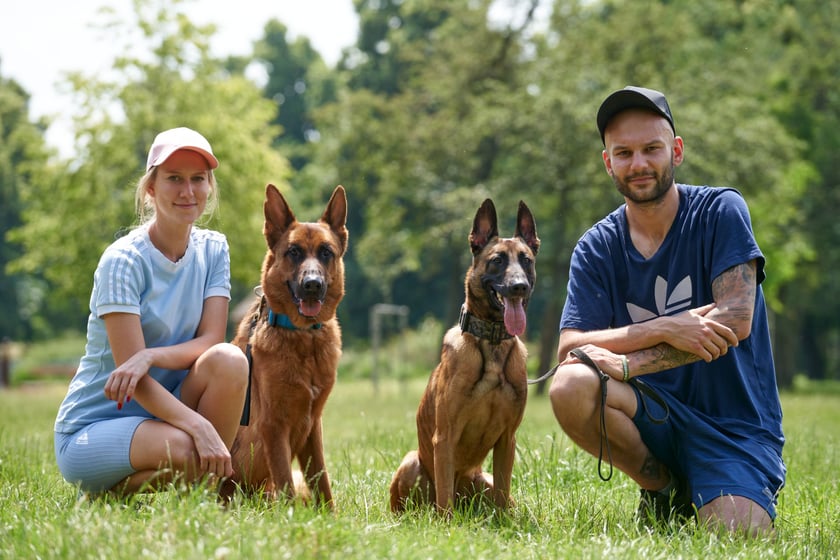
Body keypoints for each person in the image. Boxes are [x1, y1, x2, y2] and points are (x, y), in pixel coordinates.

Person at [548, 87, 785, 536]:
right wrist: (665, 327)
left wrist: (625, 362)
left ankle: (734, 481)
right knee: (571, 384)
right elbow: (571, 348)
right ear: (608, 162)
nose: (639, 164)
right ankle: (660, 487)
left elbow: (735, 318)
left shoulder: (720, 212)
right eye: (625, 153)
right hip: (651, 412)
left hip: (732, 428)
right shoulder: (596, 247)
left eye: (651, 149)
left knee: (738, 534)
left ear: (675, 150)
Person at [54, 127, 249, 497]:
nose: (187, 191)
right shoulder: (123, 261)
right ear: (151, 189)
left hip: (166, 413)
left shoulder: (214, 250)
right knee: (190, 452)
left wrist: (151, 356)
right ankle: (104, 491)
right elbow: (135, 382)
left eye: (198, 179)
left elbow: (210, 339)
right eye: (174, 178)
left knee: (230, 359)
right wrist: (200, 427)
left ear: (209, 187)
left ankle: (204, 496)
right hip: (96, 425)